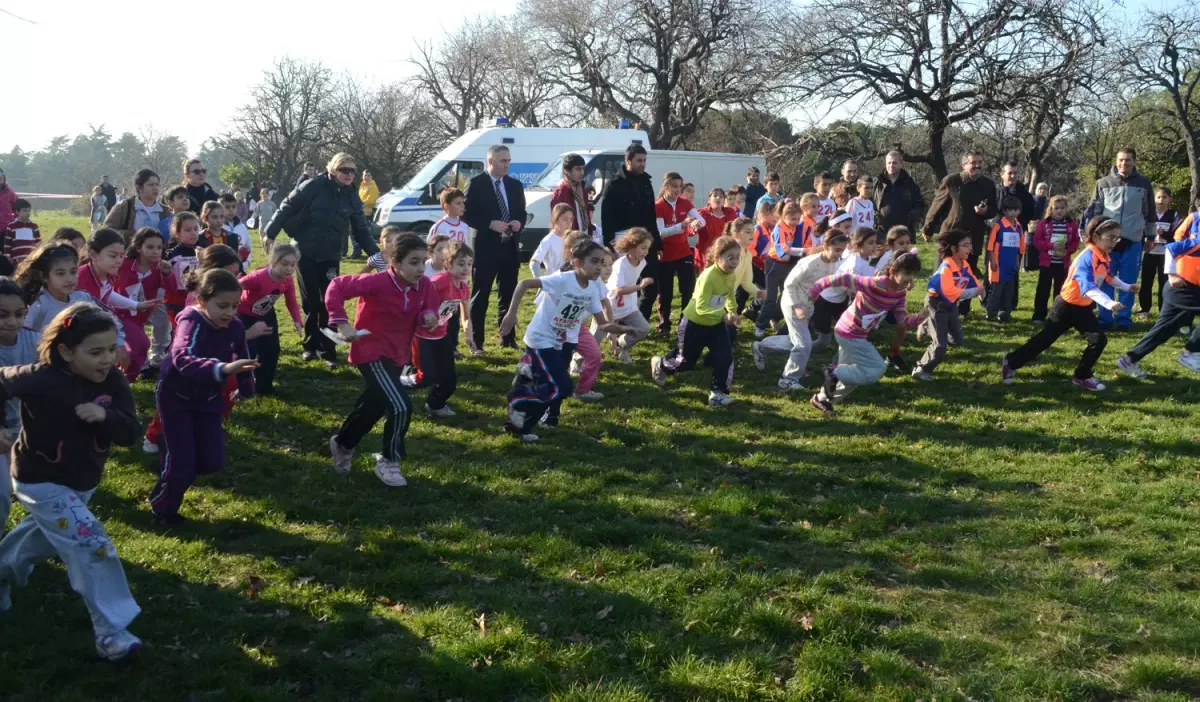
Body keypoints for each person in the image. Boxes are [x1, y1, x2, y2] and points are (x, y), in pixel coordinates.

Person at [0, 302, 142, 661]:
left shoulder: (113, 381)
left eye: (110, 349)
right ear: (65, 351)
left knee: (41, 540)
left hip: (82, 482)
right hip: (38, 480)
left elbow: (130, 432)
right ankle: (112, 631)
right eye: (95, 352)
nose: (106, 359)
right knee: (90, 543)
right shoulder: (41, 377)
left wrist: (105, 415)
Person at [326, 233, 438, 487]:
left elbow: (428, 309)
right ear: (395, 263)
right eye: (413, 262)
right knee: (400, 406)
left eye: (423, 261)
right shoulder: (377, 283)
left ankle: (342, 444)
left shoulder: (425, 285)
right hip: (370, 353)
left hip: (397, 355)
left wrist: (429, 318)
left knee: (373, 406)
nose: (421, 268)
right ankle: (389, 461)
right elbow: (337, 287)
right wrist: (342, 324)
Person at [149, 268, 256, 526]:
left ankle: (174, 459)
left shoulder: (235, 326)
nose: (229, 312)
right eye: (222, 306)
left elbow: (243, 357)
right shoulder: (191, 321)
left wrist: (246, 388)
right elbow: (182, 357)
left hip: (207, 398)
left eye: (234, 306)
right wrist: (221, 369)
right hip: (176, 397)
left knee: (211, 461)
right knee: (182, 464)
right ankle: (163, 509)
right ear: (202, 300)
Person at [500, 239, 624, 440]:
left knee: (553, 388)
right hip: (541, 339)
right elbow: (524, 283)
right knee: (562, 386)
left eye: (602, 262)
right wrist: (512, 313)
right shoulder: (562, 279)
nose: (599, 267)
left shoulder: (593, 288)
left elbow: (603, 324)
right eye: (594, 261)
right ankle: (518, 399)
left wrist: (626, 329)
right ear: (577, 263)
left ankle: (521, 427)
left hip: (564, 340)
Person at [263, 153, 379, 368]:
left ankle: (328, 349)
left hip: (330, 255)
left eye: (353, 170)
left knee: (329, 301)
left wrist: (376, 254)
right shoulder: (313, 186)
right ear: (333, 170)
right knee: (311, 303)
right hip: (305, 251)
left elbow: (361, 229)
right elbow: (286, 206)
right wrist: (270, 232)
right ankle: (310, 345)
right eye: (345, 170)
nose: (349, 174)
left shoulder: (352, 196)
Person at [1002, 217, 1140, 392]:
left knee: (1098, 340)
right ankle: (1011, 362)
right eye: (1111, 237)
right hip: (1065, 307)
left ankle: (1082, 376)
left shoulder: (1103, 256)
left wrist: (1127, 287)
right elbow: (1088, 287)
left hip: (1083, 308)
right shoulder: (1086, 258)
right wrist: (1109, 303)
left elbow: (1108, 276)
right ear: (1096, 237)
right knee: (1043, 341)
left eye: (1117, 238)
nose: (1115, 241)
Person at [807, 252, 929, 416]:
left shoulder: (899, 293)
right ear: (893, 271)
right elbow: (841, 278)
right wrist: (815, 290)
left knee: (855, 374)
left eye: (913, 274)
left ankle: (823, 399)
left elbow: (903, 320)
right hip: (849, 333)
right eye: (907, 274)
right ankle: (833, 372)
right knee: (876, 369)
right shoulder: (874, 284)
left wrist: (922, 316)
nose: (910, 279)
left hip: (857, 334)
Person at [650, 236, 745, 407]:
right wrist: (723, 316)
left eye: (738, 257)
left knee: (725, 357)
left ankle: (718, 394)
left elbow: (729, 295)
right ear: (717, 258)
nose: (735, 262)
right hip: (694, 324)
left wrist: (732, 311)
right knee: (685, 362)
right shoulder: (708, 277)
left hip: (716, 324)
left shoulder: (731, 275)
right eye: (730, 257)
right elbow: (701, 308)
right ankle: (661, 365)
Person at [753, 232, 848, 390]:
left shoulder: (832, 263)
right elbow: (789, 285)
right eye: (837, 249)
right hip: (793, 304)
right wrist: (797, 307)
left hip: (807, 305)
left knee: (794, 341)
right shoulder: (809, 263)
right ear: (825, 246)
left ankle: (760, 346)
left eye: (843, 250)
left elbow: (822, 283)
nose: (840, 254)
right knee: (804, 345)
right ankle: (788, 379)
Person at [1082, 148, 1155, 330]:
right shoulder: (1103, 183)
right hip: (1106, 243)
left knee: (1128, 282)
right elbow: (1093, 212)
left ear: (1134, 161)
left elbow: (1150, 212)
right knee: (1105, 279)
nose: (1124, 164)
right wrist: (1089, 235)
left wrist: (1151, 236)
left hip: (1133, 240)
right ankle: (1105, 318)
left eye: (1128, 160)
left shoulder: (1144, 183)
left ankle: (1124, 319)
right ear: (1116, 161)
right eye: (1121, 160)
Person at [463, 145, 527, 351]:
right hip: (485, 248)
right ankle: (477, 342)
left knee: (508, 294)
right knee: (481, 295)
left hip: (509, 247)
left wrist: (519, 223)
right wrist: (489, 223)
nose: (507, 164)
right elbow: (466, 213)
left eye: (508, 160)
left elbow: (522, 212)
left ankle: (507, 338)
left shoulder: (515, 185)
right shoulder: (476, 183)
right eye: (502, 161)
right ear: (491, 162)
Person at [922, 150, 998, 316]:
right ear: (964, 165)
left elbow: (994, 209)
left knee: (966, 275)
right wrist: (927, 227)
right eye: (973, 163)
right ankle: (935, 309)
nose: (977, 166)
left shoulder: (988, 184)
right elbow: (937, 205)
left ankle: (963, 310)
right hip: (950, 237)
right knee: (943, 275)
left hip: (972, 238)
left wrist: (985, 211)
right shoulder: (952, 181)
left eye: (980, 162)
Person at [1116, 234, 1200, 378]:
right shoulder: (1196, 244)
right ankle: (1191, 352)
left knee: (1164, 329)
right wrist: (1172, 275)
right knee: (1165, 328)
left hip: (1187, 290)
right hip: (1181, 289)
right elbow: (1171, 248)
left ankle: (1129, 359)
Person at [912, 230, 983, 381]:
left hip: (951, 306)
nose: (970, 248)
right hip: (936, 305)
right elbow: (950, 292)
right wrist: (973, 292)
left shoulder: (964, 265)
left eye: (970, 245)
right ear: (953, 248)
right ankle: (921, 368)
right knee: (940, 345)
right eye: (965, 245)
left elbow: (972, 280)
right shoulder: (946, 268)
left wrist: (981, 291)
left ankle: (926, 325)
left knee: (957, 339)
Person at [412, 241, 473, 416]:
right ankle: (392, 388)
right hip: (421, 336)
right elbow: (418, 299)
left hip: (441, 336)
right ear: (448, 264)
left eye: (469, 264)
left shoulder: (463, 288)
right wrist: (425, 316)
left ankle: (435, 405)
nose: (466, 268)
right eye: (461, 264)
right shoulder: (439, 282)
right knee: (425, 377)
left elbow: (466, 315)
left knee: (449, 380)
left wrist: (469, 335)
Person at [600, 144, 658, 318]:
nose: (642, 164)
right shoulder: (614, 185)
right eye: (639, 160)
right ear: (628, 161)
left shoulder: (646, 183)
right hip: (624, 245)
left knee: (652, 287)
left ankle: (640, 319)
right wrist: (611, 245)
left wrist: (658, 244)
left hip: (647, 244)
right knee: (627, 287)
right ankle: (621, 320)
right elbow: (607, 218)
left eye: (644, 160)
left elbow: (651, 216)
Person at [237, 244, 303, 395]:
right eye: (284, 264)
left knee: (271, 350)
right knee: (248, 350)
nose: (289, 268)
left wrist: (297, 321)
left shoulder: (287, 280)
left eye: (292, 264)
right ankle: (242, 385)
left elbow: (291, 301)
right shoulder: (258, 277)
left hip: (266, 313)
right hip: (245, 315)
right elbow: (236, 286)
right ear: (273, 262)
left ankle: (264, 387)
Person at [811, 227, 880, 358]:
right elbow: (854, 291)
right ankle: (801, 356)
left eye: (875, 242)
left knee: (847, 334)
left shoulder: (866, 260)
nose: (874, 246)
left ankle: (838, 363)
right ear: (859, 244)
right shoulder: (854, 265)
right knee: (824, 340)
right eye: (870, 243)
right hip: (825, 302)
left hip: (840, 302)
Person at [652, 172, 706, 334]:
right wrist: (681, 226)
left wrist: (696, 224)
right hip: (665, 255)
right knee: (666, 292)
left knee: (687, 289)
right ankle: (664, 325)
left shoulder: (685, 203)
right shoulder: (659, 205)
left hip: (684, 253)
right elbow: (661, 232)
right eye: (674, 186)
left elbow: (701, 220)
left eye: (679, 187)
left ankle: (686, 322)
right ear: (666, 186)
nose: (677, 190)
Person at [115, 228, 170, 381]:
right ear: (138, 247)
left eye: (159, 247)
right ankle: (127, 374)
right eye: (150, 247)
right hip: (121, 313)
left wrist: (167, 275)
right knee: (140, 343)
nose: (156, 251)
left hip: (143, 312)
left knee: (146, 340)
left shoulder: (160, 267)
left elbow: (169, 289)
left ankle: (134, 373)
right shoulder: (124, 264)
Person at [757, 198, 817, 337]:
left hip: (789, 264)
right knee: (771, 298)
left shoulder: (798, 227)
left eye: (797, 219)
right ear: (784, 216)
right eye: (792, 219)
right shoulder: (779, 228)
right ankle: (760, 325)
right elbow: (783, 248)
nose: (795, 222)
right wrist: (802, 251)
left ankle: (777, 319)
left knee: (787, 296)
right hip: (774, 265)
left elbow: (807, 242)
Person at [604, 228, 655, 362]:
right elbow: (618, 290)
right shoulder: (621, 264)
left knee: (643, 329)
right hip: (608, 305)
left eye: (648, 248)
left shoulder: (642, 262)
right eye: (643, 248)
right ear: (632, 248)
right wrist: (640, 286)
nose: (646, 252)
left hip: (628, 305)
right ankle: (577, 361)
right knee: (594, 338)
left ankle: (621, 345)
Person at [1032, 195, 1081, 324]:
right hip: (1047, 263)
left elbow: (1075, 241)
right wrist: (1050, 245)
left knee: (1060, 291)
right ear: (1051, 209)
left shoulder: (1071, 224)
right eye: (1056, 208)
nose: (1059, 211)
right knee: (1043, 289)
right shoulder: (1044, 223)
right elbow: (1037, 241)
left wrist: (1068, 250)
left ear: (1066, 209)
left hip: (1063, 263)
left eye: (1062, 208)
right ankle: (1038, 315)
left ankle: (1058, 316)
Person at [1138, 187, 1179, 317]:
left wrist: (1164, 234)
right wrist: (1146, 240)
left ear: (1170, 199)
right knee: (1146, 281)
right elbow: (1140, 232)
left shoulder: (1174, 215)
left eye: (1164, 197)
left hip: (1166, 255)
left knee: (1164, 282)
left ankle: (1163, 309)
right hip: (1149, 253)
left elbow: (1177, 234)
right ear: (1154, 199)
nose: (1161, 200)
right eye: (1158, 197)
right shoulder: (1148, 214)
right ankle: (1145, 309)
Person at [985, 197, 1026, 322]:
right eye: (1010, 210)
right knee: (996, 291)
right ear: (1005, 211)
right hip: (999, 264)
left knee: (1009, 291)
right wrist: (992, 261)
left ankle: (1005, 314)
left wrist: (1018, 262)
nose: (1013, 213)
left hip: (1011, 264)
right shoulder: (998, 226)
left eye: (1016, 210)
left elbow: (1021, 248)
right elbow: (990, 246)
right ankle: (991, 313)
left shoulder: (1019, 227)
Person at [873, 150, 925, 234]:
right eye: (889, 163)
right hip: (881, 232)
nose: (891, 165)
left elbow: (919, 204)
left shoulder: (910, 184)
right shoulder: (877, 183)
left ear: (901, 164)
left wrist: (909, 218)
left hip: (904, 232)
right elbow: (869, 202)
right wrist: (876, 218)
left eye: (894, 163)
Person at [104, 169, 163, 242]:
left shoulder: (164, 211)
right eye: (150, 184)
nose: (155, 188)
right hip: (128, 252)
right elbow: (106, 231)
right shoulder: (124, 207)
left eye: (157, 184)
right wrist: (133, 235)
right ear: (139, 187)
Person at [549, 154, 596, 241]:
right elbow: (558, 222)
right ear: (567, 171)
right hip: (570, 241)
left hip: (583, 238)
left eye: (583, 168)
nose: (582, 172)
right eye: (578, 169)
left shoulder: (582, 189)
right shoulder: (561, 192)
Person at [695, 187, 737, 270]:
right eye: (715, 196)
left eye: (721, 196)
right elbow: (689, 231)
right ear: (709, 200)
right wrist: (694, 227)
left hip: (725, 252)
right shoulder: (702, 213)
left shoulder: (730, 212)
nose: (718, 198)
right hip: (706, 253)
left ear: (724, 200)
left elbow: (735, 230)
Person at [530, 204, 573, 280]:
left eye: (571, 220)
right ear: (555, 219)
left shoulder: (572, 238)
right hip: (555, 284)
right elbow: (534, 263)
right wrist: (541, 283)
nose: (569, 223)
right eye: (565, 219)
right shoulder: (549, 240)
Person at [218, 193, 252, 269]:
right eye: (227, 207)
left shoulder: (242, 226)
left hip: (241, 267)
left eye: (234, 207)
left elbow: (248, 245)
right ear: (219, 208)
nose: (231, 210)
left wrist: (247, 262)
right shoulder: (218, 227)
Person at [3, 199, 39, 266]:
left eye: (29, 210)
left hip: (31, 260)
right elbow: (7, 244)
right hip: (17, 261)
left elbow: (38, 243)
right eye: (25, 210)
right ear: (17, 211)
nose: (28, 213)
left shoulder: (34, 226)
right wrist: (8, 257)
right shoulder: (11, 226)